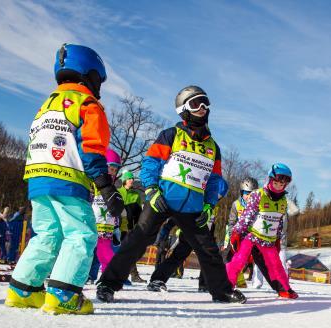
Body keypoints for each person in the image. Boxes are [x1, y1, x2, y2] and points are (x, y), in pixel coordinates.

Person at [95, 85, 246, 304]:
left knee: (208, 249)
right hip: (163, 199)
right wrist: (152, 190)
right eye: (196, 103)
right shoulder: (171, 135)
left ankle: (221, 291)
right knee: (137, 240)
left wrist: (209, 204)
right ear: (184, 109)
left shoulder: (213, 147)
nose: (202, 108)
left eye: (205, 103)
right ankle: (108, 283)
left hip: (193, 206)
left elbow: (214, 181)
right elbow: (150, 164)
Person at [4, 43, 124, 315]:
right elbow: (92, 147)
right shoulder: (88, 104)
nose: (99, 87)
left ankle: (22, 289)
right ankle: (63, 294)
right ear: (89, 75)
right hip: (68, 179)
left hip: (38, 179)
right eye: (98, 79)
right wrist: (105, 185)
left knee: (47, 233)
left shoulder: (46, 105)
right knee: (81, 234)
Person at [226, 163, 298, 299]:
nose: (278, 187)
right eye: (276, 183)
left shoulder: (283, 201)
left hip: (268, 240)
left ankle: (284, 288)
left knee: (276, 264)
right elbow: (247, 216)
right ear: (270, 180)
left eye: (282, 185)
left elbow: (279, 222)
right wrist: (236, 232)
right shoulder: (258, 195)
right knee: (239, 260)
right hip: (251, 236)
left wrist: (277, 238)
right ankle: (227, 286)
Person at [89, 148, 123, 278]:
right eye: (110, 169)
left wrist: (116, 227)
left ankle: (107, 277)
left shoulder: (114, 188)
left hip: (106, 226)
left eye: (115, 170)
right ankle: (86, 276)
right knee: (87, 251)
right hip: (92, 224)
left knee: (105, 253)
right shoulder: (93, 184)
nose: (113, 173)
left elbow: (116, 209)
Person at [116, 169, 146, 283]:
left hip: (129, 227)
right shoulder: (118, 192)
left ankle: (134, 275)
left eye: (132, 178)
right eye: (129, 178)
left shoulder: (136, 195)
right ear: (124, 180)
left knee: (129, 251)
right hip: (116, 226)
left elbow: (138, 213)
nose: (131, 180)